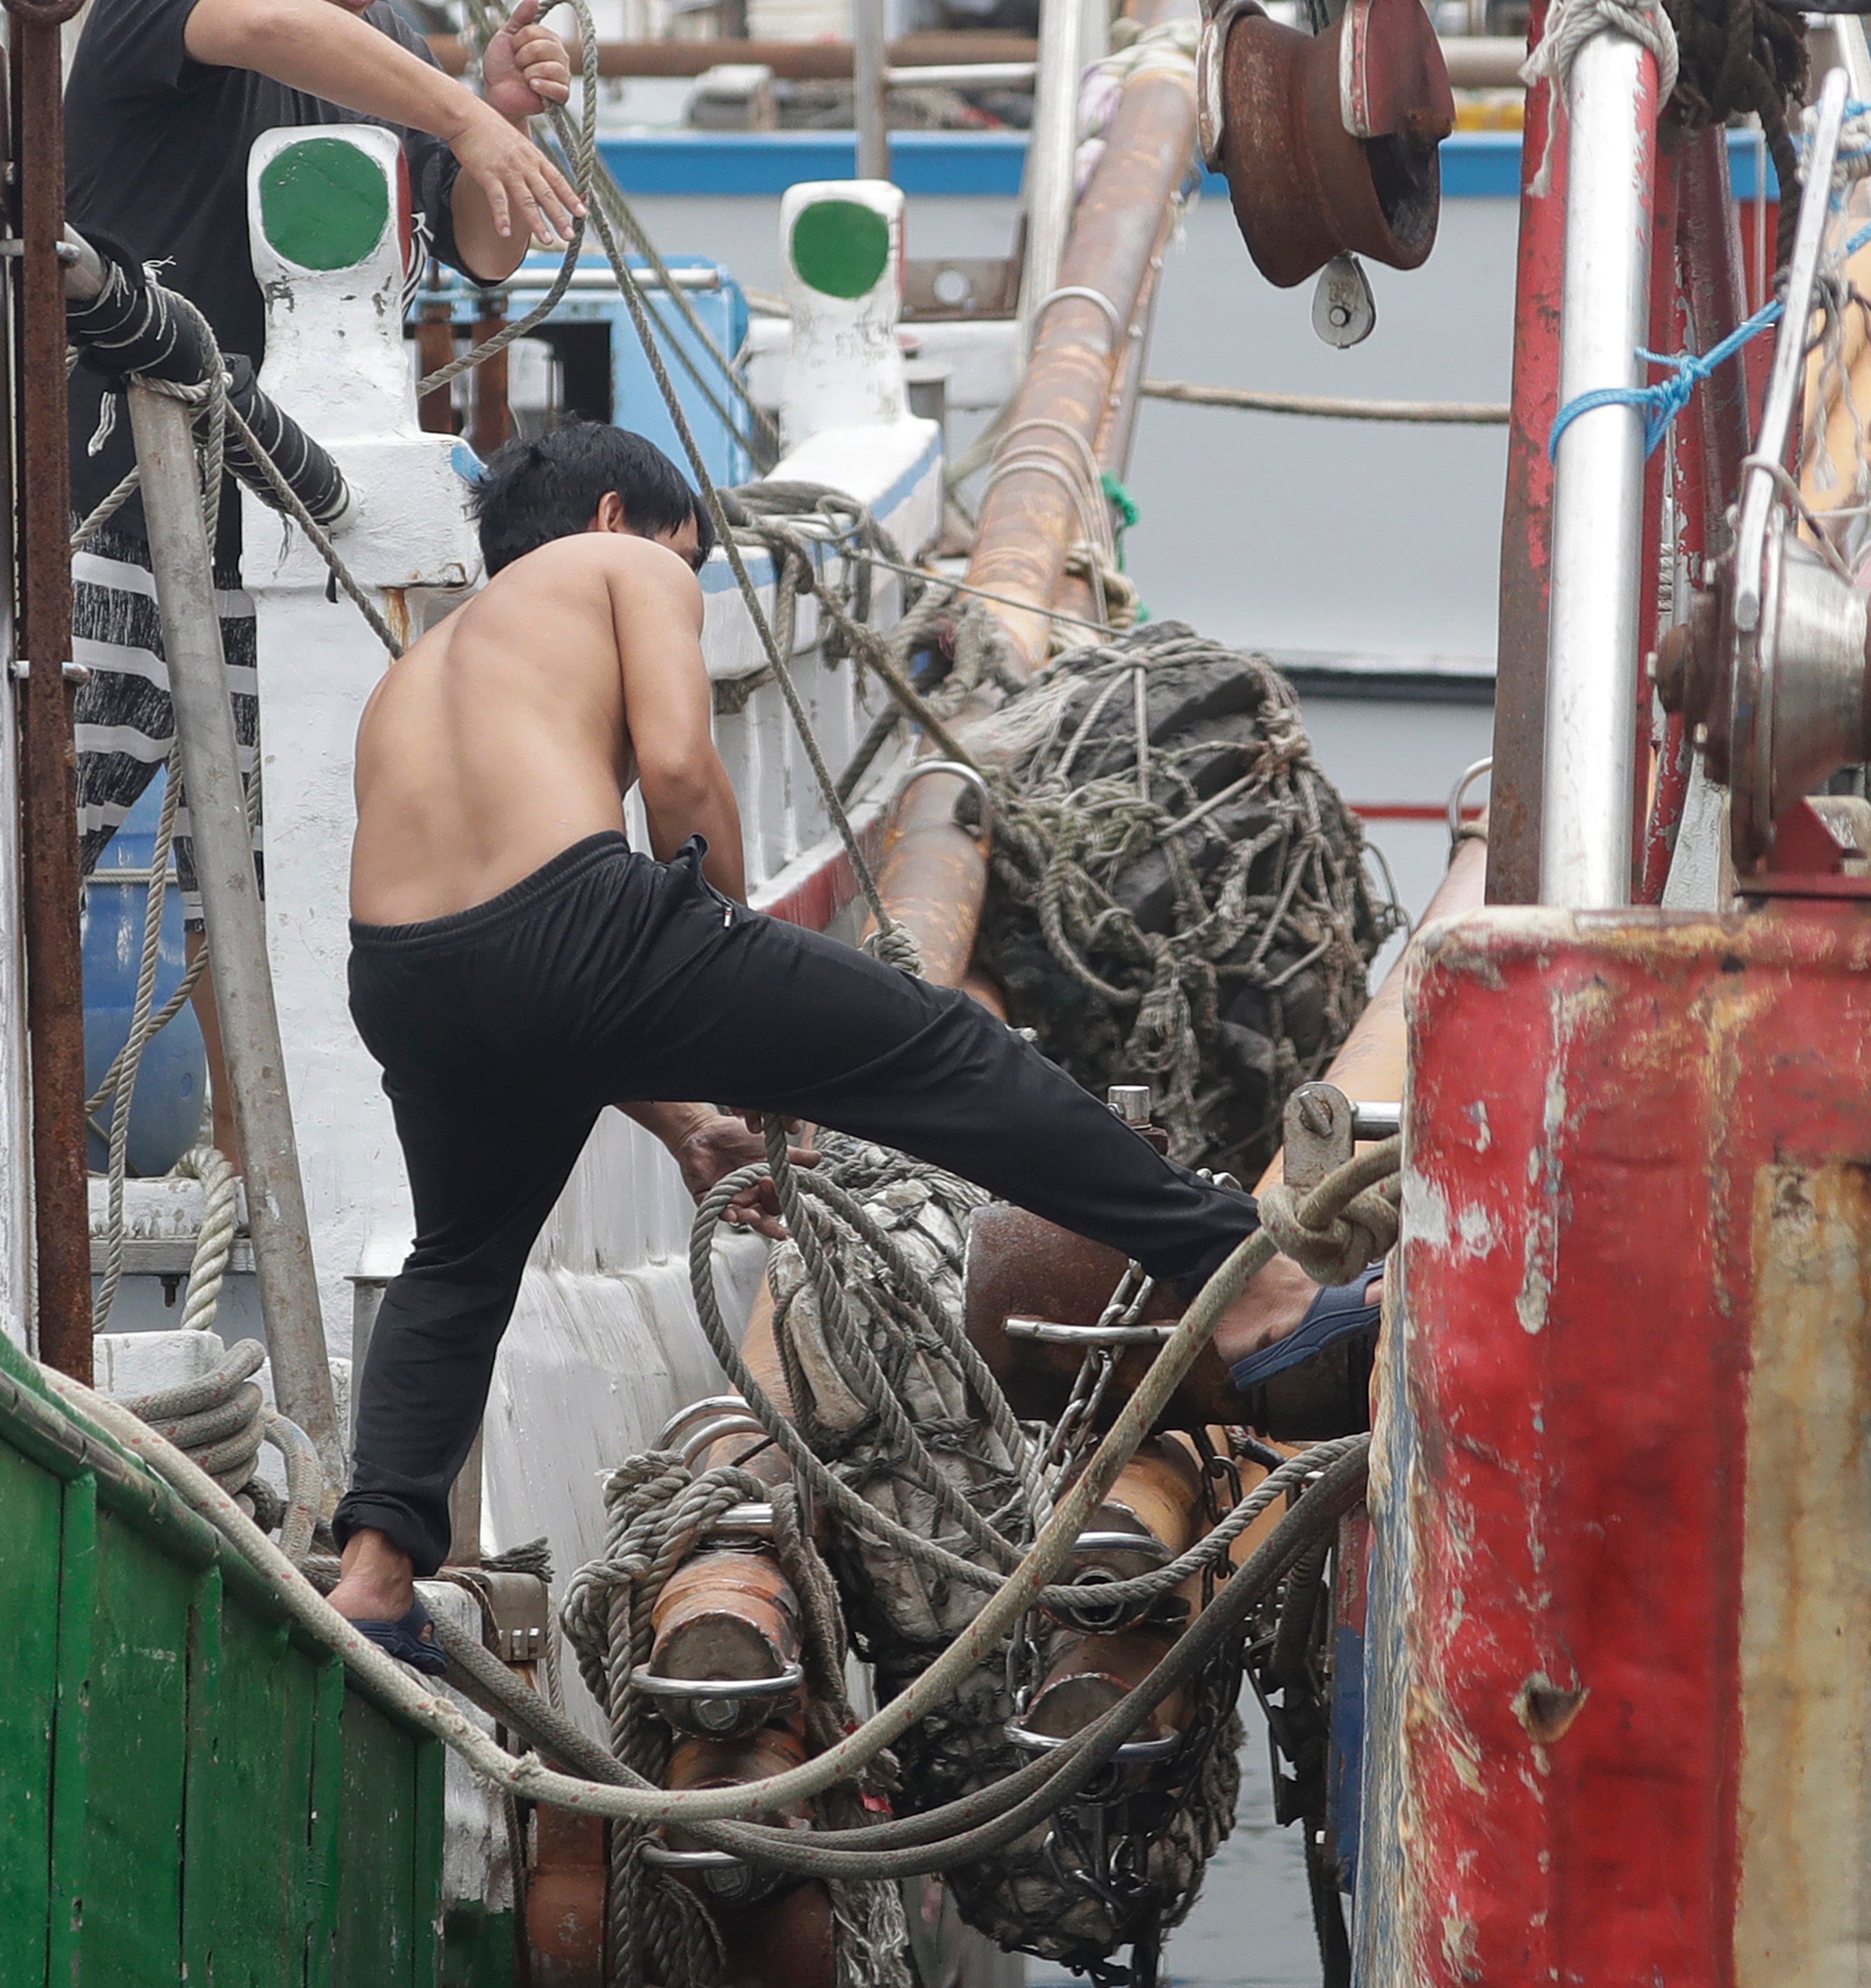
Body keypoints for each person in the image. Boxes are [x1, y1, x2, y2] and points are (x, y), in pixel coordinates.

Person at [321, 424, 1380, 1656]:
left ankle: (376, 1577)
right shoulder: (627, 568)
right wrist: (725, 946)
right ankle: (1254, 1289)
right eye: (691, 559)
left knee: (459, 1264)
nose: (691, 582)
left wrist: (684, 1124)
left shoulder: (415, 668)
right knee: (949, 1055)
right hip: (581, 923)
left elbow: (513, 980)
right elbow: (674, 772)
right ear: (620, 517)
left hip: (403, 978)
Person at [58, 0, 583, 852]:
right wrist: (462, 116)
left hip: (285, 547)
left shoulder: (395, 50)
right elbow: (265, 29)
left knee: (257, 883)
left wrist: (499, 115)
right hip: (99, 524)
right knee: (28, 861)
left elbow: (485, 253)